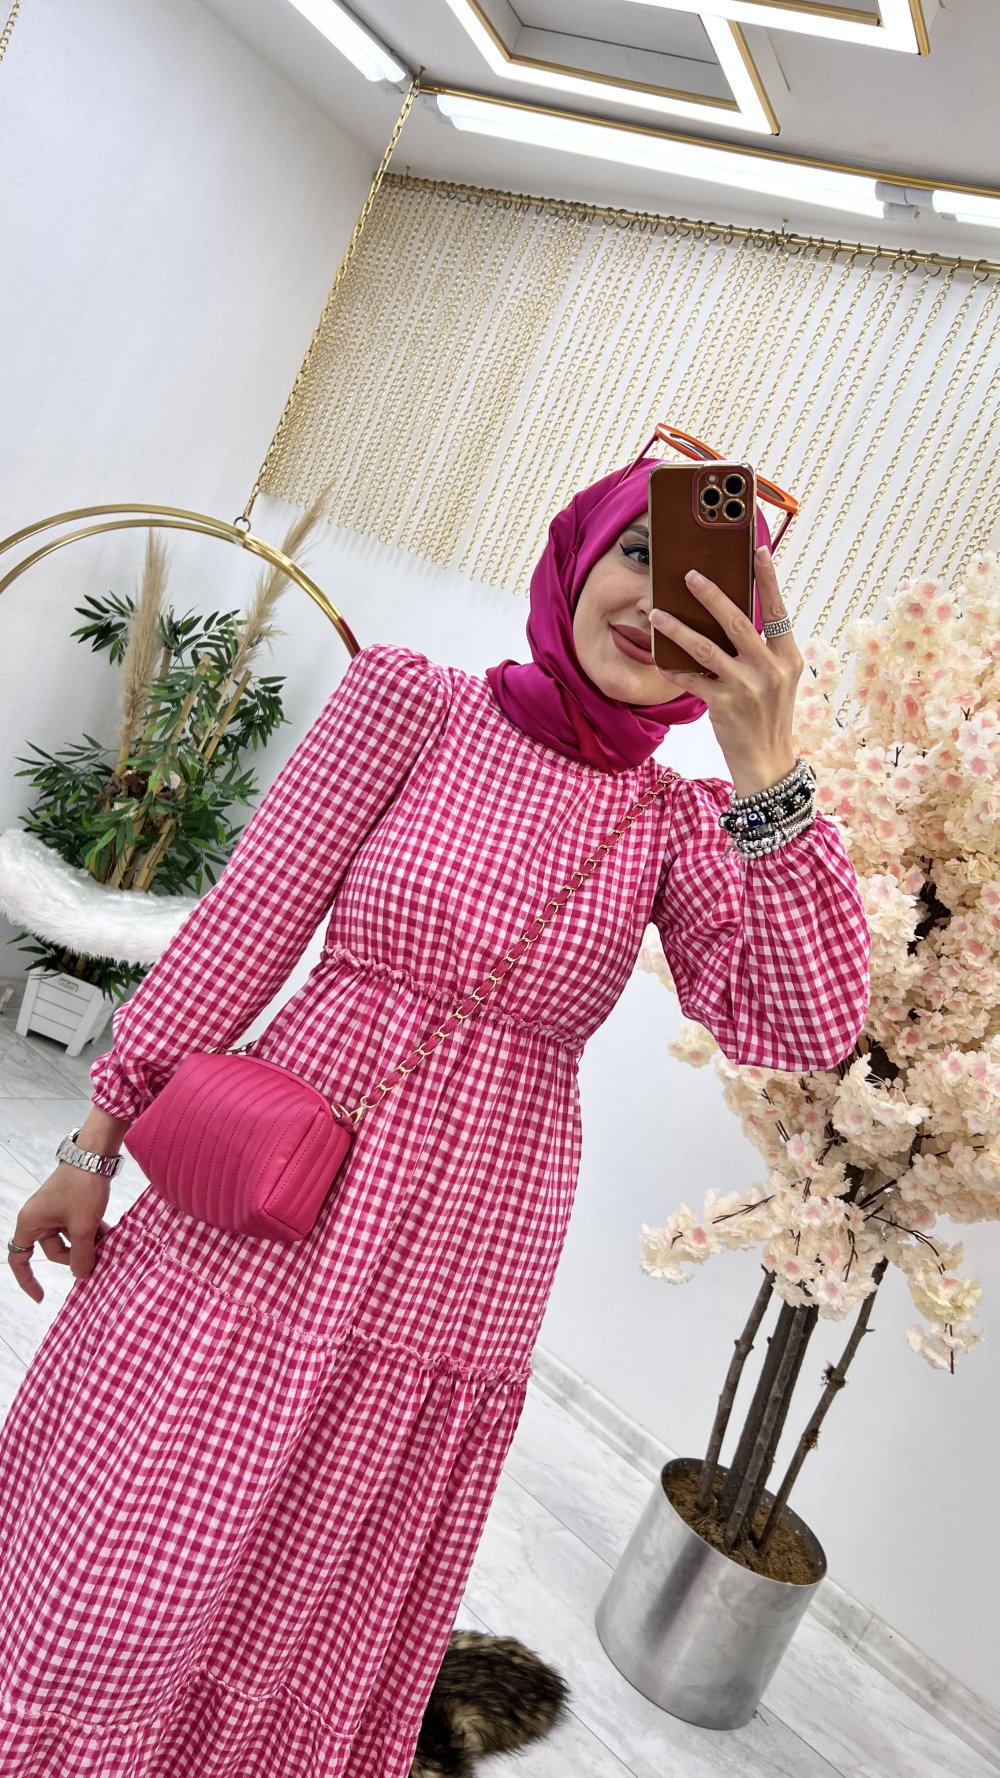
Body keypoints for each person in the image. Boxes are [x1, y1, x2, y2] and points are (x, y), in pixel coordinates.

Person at [0, 451, 870, 1778]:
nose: (655, 606)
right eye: (639, 553)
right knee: (130, 1536)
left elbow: (799, 1029)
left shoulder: (684, 825)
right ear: (576, 556)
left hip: (465, 1250)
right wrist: (94, 1140)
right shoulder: (415, 705)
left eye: (708, 589)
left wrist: (768, 761)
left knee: (308, 1562)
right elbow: (243, 928)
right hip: (270, 1193)